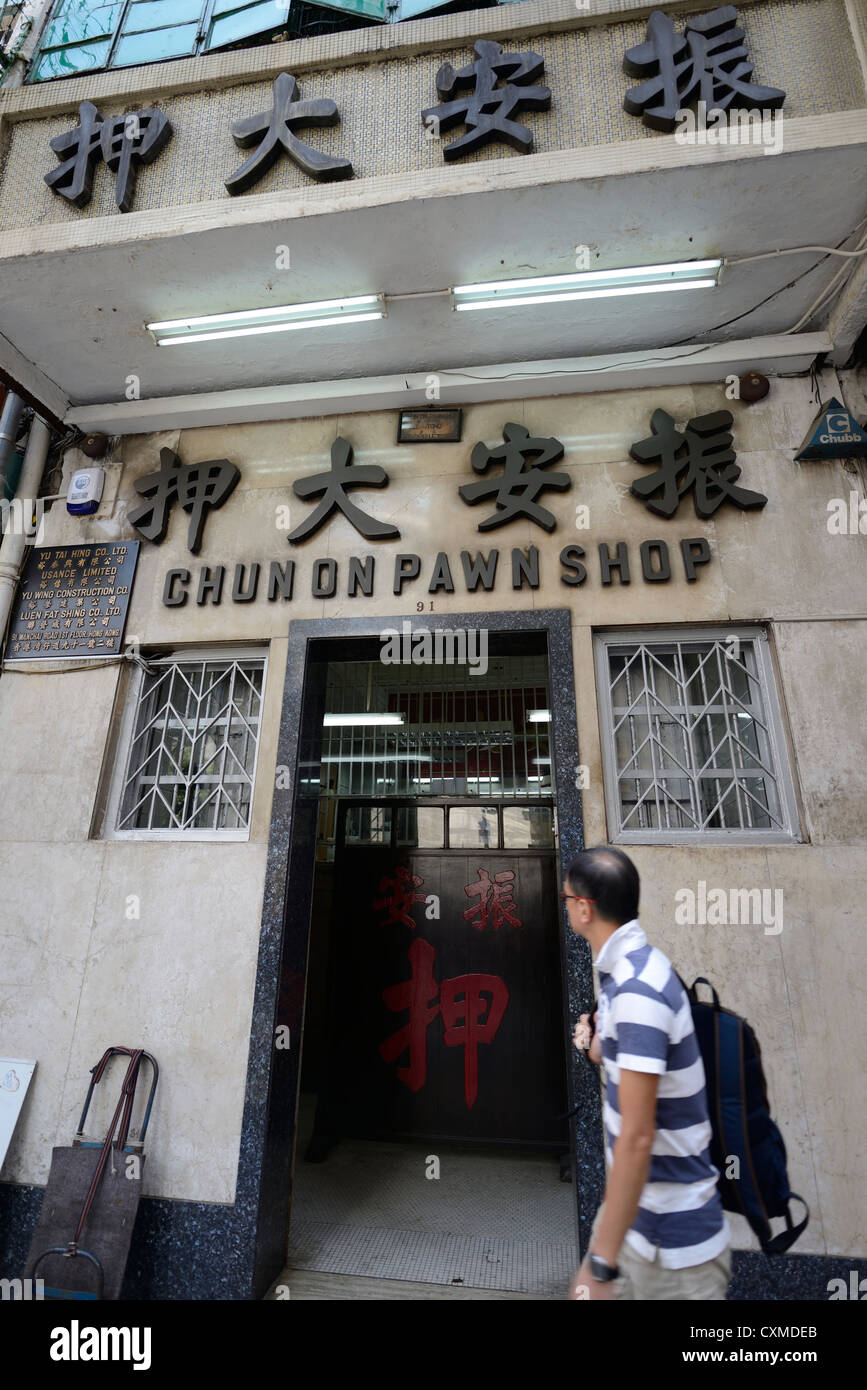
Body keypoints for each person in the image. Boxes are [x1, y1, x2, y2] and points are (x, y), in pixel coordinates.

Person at [563, 846, 731, 1301]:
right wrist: (592, 1044)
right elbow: (622, 1055)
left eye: (566, 899)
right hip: (637, 1221)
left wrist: (601, 1263)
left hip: (671, 1251)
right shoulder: (633, 972)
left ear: (583, 908)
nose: (566, 907)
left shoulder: (637, 989)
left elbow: (638, 1135)